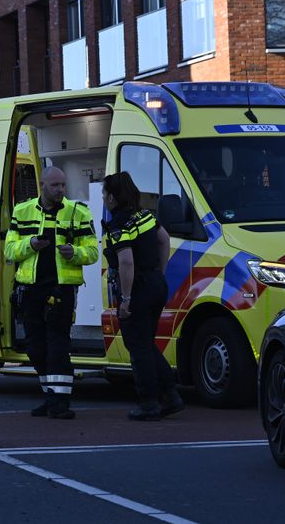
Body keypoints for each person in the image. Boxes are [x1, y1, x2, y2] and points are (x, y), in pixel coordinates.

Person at [4, 166, 97, 419]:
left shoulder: (78, 212)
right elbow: (9, 251)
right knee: (35, 348)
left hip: (61, 290)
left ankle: (60, 402)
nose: (61, 190)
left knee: (58, 346)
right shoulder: (22, 211)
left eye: (63, 185)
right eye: (55, 185)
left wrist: (74, 253)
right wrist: (31, 245)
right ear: (42, 185)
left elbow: (92, 251)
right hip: (30, 289)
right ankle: (50, 396)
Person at [102, 172, 184, 421]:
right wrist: (160, 272)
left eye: (105, 193)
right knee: (146, 344)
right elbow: (164, 240)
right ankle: (171, 395)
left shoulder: (119, 224)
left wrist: (126, 299)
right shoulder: (145, 215)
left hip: (138, 290)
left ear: (112, 197)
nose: (103, 197)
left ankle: (149, 403)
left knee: (138, 348)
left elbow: (126, 262)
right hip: (156, 284)